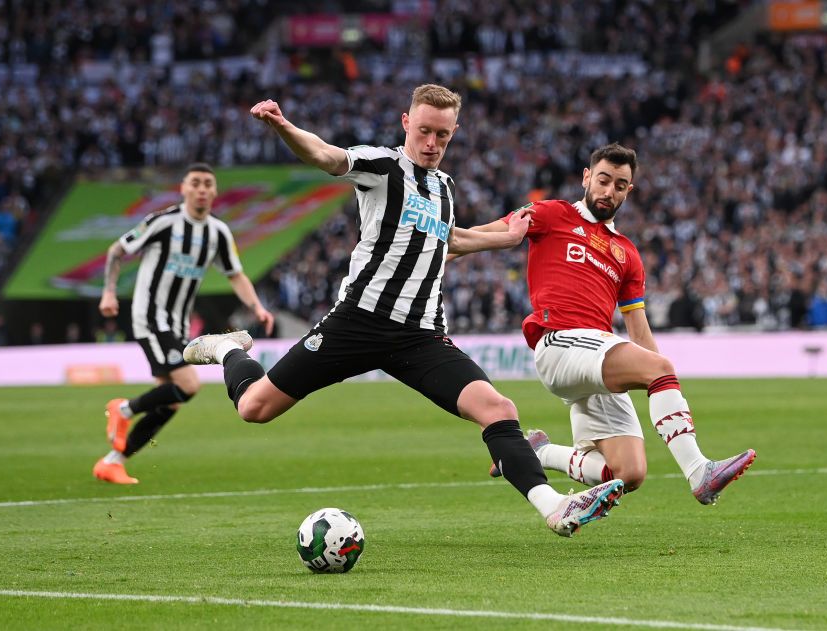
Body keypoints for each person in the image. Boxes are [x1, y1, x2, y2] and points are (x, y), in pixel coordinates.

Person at [182, 84, 625, 537]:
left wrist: (505, 238)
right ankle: (226, 349)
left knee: (497, 407)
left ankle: (555, 507)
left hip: (420, 335)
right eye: (426, 132)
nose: (433, 144)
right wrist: (284, 126)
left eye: (444, 136)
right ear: (406, 123)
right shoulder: (383, 165)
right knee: (255, 408)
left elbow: (449, 239)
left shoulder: (445, 188)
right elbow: (327, 157)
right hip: (358, 321)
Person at [460, 143, 755, 503]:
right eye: (603, 180)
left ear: (628, 191)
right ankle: (698, 472)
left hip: (596, 354)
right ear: (587, 177)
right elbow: (487, 232)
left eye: (619, 184)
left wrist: (658, 379)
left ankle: (539, 452)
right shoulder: (552, 214)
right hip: (561, 343)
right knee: (659, 367)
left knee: (628, 474)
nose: (608, 191)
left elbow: (638, 327)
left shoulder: (628, 253)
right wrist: (437, 248)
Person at [94, 163, 275, 484]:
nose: (202, 189)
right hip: (150, 316)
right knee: (189, 385)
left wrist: (257, 307)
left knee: (172, 399)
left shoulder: (218, 232)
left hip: (177, 325)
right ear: (184, 188)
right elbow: (117, 250)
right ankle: (122, 409)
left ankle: (113, 461)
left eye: (208, 183)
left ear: (215, 191)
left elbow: (235, 274)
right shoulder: (163, 222)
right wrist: (109, 292)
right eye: (196, 183)